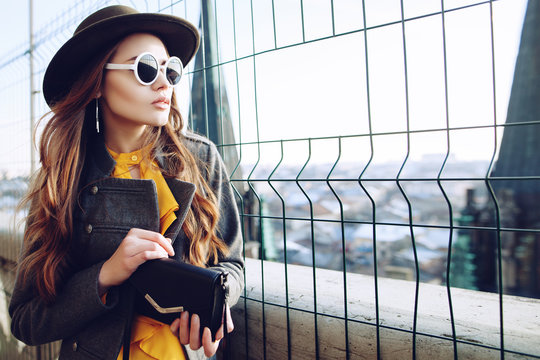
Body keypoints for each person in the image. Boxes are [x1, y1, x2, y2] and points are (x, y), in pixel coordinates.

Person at [9, 5, 244, 360]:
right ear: (97, 81)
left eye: (171, 70)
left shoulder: (201, 159)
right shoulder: (64, 179)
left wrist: (213, 306)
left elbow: (232, 264)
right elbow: (26, 321)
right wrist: (105, 275)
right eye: (146, 68)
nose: (165, 82)